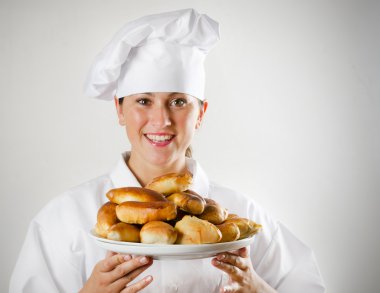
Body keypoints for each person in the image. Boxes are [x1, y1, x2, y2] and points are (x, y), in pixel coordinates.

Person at [9, 8, 325, 293]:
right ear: (119, 110)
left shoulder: (243, 217)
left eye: (178, 102)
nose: (161, 119)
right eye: (143, 101)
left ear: (200, 114)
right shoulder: (64, 219)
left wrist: (258, 289)